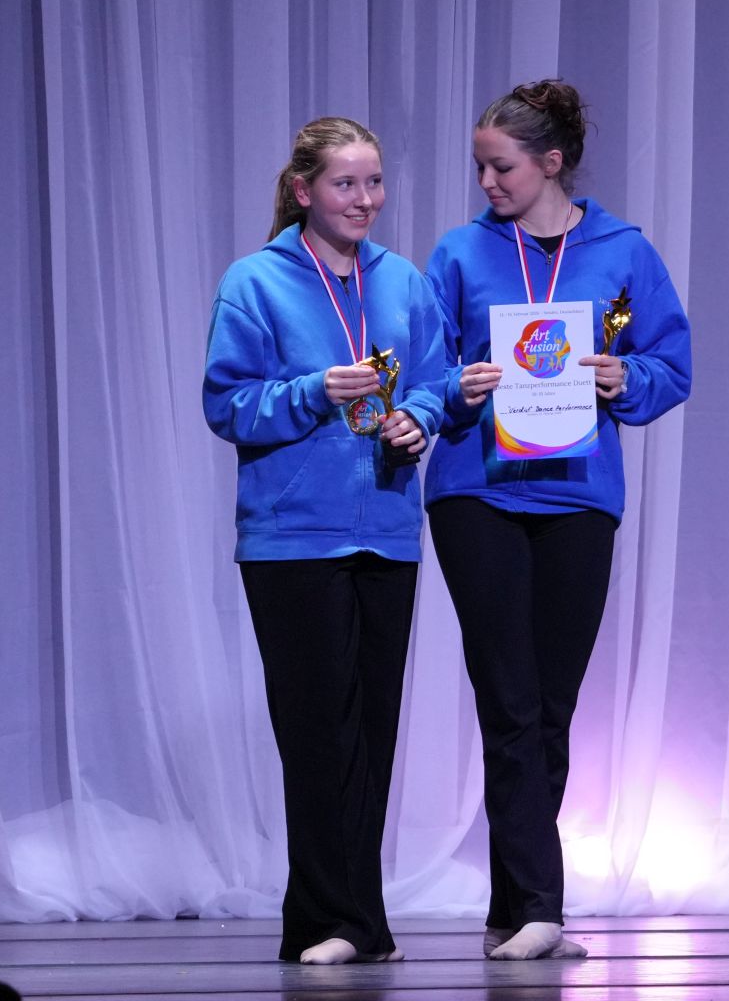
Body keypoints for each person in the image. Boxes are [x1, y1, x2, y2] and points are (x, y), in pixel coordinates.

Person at [422, 81, 692, 960]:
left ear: (552, 161)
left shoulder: (623, 251)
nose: (487, 182)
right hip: (478, 494)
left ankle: (513, 912)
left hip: (578, 496)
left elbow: (671, 363)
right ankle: (543, 907)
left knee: (550, 707)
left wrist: (625, 378)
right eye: (480, 167)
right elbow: (423, 371)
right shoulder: (460, 253)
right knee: (508, 699)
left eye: (501, 167)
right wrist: (457, 387)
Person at [202, 117, 450, 964]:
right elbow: (227, 404)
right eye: (347, 183)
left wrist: (417, 419)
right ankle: (326, 921)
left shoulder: (403, 281)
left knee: (371, 734)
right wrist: (313, 390)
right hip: (292, 540)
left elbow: (435, 380)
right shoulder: (255, 282)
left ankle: (357, 922)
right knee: (317, 736)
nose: (365, 199)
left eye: (374, 182)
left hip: (386, 532)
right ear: (304, 190)